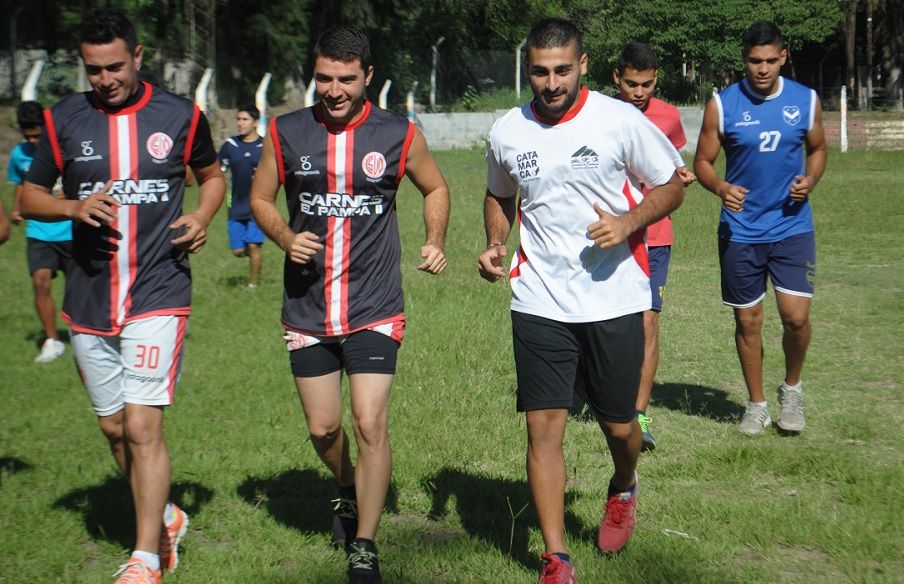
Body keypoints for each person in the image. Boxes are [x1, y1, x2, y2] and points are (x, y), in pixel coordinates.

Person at [19, 9, 225, 583]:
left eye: (114, 66)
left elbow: (211, 176)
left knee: (141, 427)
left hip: (159, 290)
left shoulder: (180, 115)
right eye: (94, 70)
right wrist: (71, 206)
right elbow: (28, 198)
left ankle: (146, 557)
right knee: (113, 430)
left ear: (137, 56)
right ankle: (164, 516)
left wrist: (202, 215)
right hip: (88, 296)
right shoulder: (63, 119)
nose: (105, 79)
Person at [478, 18, 685, 583]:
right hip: (538, 299)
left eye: (563, 70)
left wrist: (628, 222)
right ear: (528, 71)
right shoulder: (508, 131)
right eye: (540, 72)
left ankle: (624, 484)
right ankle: (557, 558)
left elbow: (671, 184)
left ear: (584, 65)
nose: (552, 83)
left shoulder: (619, 120)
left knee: (620, 427)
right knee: (543, 429)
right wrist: (495, 243)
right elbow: (499, 193)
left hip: (612, 298)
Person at [250, 25, 449, 584]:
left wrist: (435, 239)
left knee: (368, 421)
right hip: (307, 307)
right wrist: (286, 238)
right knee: (323, 429)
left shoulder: (398, 134)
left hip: (374, 304)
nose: (333, 90)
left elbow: (435, 187)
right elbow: (260, 198)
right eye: (324, 79)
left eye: (346, 79)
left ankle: (365, 543)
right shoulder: (286, 131)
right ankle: (346, 486)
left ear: (367, 76)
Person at [694, 21, 826, 436]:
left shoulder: (805, 100)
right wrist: (721, 187)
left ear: (783, 57)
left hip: (791, 226)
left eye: (770, 60)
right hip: (741, 231)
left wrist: (810, 179)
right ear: (744, 59)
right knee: (748, 321)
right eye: (755, 61)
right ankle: (756, 405)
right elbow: (702, 162)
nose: (763, 69)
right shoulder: (723, 105)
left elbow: (818, 148)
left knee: (796, 318)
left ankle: (792, 390)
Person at [613, 43, 697, 451]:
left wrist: (682, 176)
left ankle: (639, 414)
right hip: (610, 236)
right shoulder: (600, 115)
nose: (639, 92)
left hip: (655, 237)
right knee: (608, 326)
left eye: (647, 84)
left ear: (657, 79)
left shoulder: (669, 116)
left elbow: (673, 163)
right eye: (631, 83)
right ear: (617, 77)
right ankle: (601, 394)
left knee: (647, 322)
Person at [8, 101, 73, 363]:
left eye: (38, 135)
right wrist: (17, 208)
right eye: (29, 137)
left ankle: (84, 332)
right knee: (40, 281)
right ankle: (52, 341)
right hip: (39, 230)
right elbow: (20, 184)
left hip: (71, 228)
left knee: (79, 287)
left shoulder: (67, 148)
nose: (34, 141)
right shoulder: (19, 154)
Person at [218, 104, 265, 288]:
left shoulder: (265, 146)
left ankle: (253, 284)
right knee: (238, 251)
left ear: (255, 122)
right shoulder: (230, 146)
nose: (240, 123)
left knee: (254, 245)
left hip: (258, 205)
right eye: (238, 119)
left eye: (245, 119)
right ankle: (253, 255)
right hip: (235, 205)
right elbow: (217, 171)